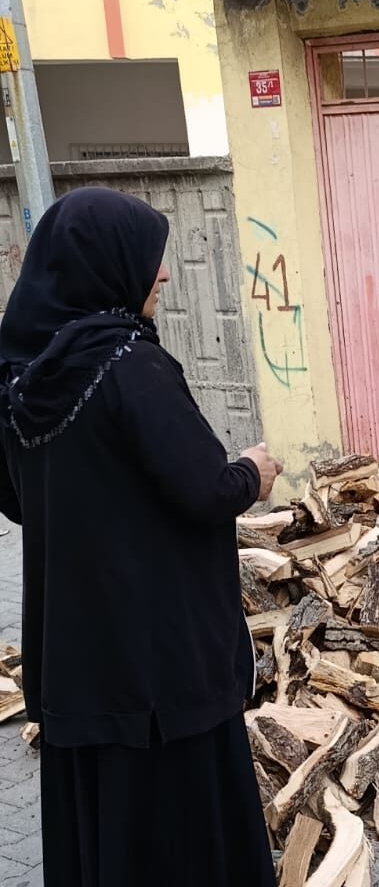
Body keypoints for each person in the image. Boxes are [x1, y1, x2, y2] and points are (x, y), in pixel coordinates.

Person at [0, 187, 283, 886]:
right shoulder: (130, 365)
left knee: (108, 826)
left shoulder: (19, 381)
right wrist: (253, 471)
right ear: (109, 265)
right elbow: (206, 490)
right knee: (183, 833)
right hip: (161, 668)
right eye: (150, 258)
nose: (163, 274)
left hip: (77, 660)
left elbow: (17, 503)